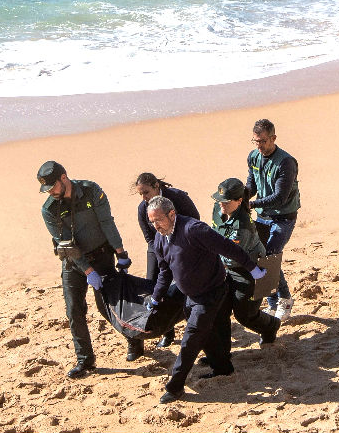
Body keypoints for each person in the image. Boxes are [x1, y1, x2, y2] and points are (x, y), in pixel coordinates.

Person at [145, 195, 266, 404]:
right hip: (190, 295)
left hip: (211, 292)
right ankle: (223, 368)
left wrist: (252, 268)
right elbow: (165, 270)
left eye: (159, 220)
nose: (155, 226)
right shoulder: (159, 238)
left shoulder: (194, 229)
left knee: (190, 340)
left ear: (172, 214)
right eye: (152, 221)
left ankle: (174, 387)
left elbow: (228, 247)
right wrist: (156, 297)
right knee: (206, 333)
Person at [38, 160, 142, 379]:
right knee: (74, 309)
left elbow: (107, 222)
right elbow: (65, 243)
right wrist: (87, 271)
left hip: (101, 255)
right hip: (73, 263)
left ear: (63, 178)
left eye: (52, 187)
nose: (51, 192)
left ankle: (134, 340)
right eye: (46, 190)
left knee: (112, 305)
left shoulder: (91, 190)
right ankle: (85, 360)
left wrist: (120, 252)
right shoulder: (49, 209)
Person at [210, 177, 281, 345]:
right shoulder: (218, 209)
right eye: (219, 200)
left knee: (245, 315)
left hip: (248, 272)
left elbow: (232, 257)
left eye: (226, 202)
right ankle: (220, 355)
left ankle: (271, 326)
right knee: (219, 311)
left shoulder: (242, 226)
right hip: (224, 269)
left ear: (239, 201)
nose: (221, 205)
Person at [133, 172, 200, 347]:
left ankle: (193, 322)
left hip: (184, 245)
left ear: (157, 186)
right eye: (140, 194)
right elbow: (149, 237)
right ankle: (166, 332)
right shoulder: (143, 208)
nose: (144, 197)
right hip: (158, 248)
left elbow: (195, 219)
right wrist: (162, 253)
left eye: (146, 192)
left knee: (186, 282)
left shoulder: (177, 197)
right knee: (153, 286)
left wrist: (178, 248)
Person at [246, 119, 300, 321]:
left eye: (262, 141)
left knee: (270, 256)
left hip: (283, 218)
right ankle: (271, 303)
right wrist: (240, 198)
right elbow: (251, 185)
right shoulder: (253, 157)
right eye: (255, 141)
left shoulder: (286, 162)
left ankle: (284, 299)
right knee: (259, 256)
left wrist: (251, 205)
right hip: (263, 216)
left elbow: (280, 197)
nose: (259, 146)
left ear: (273, 138)